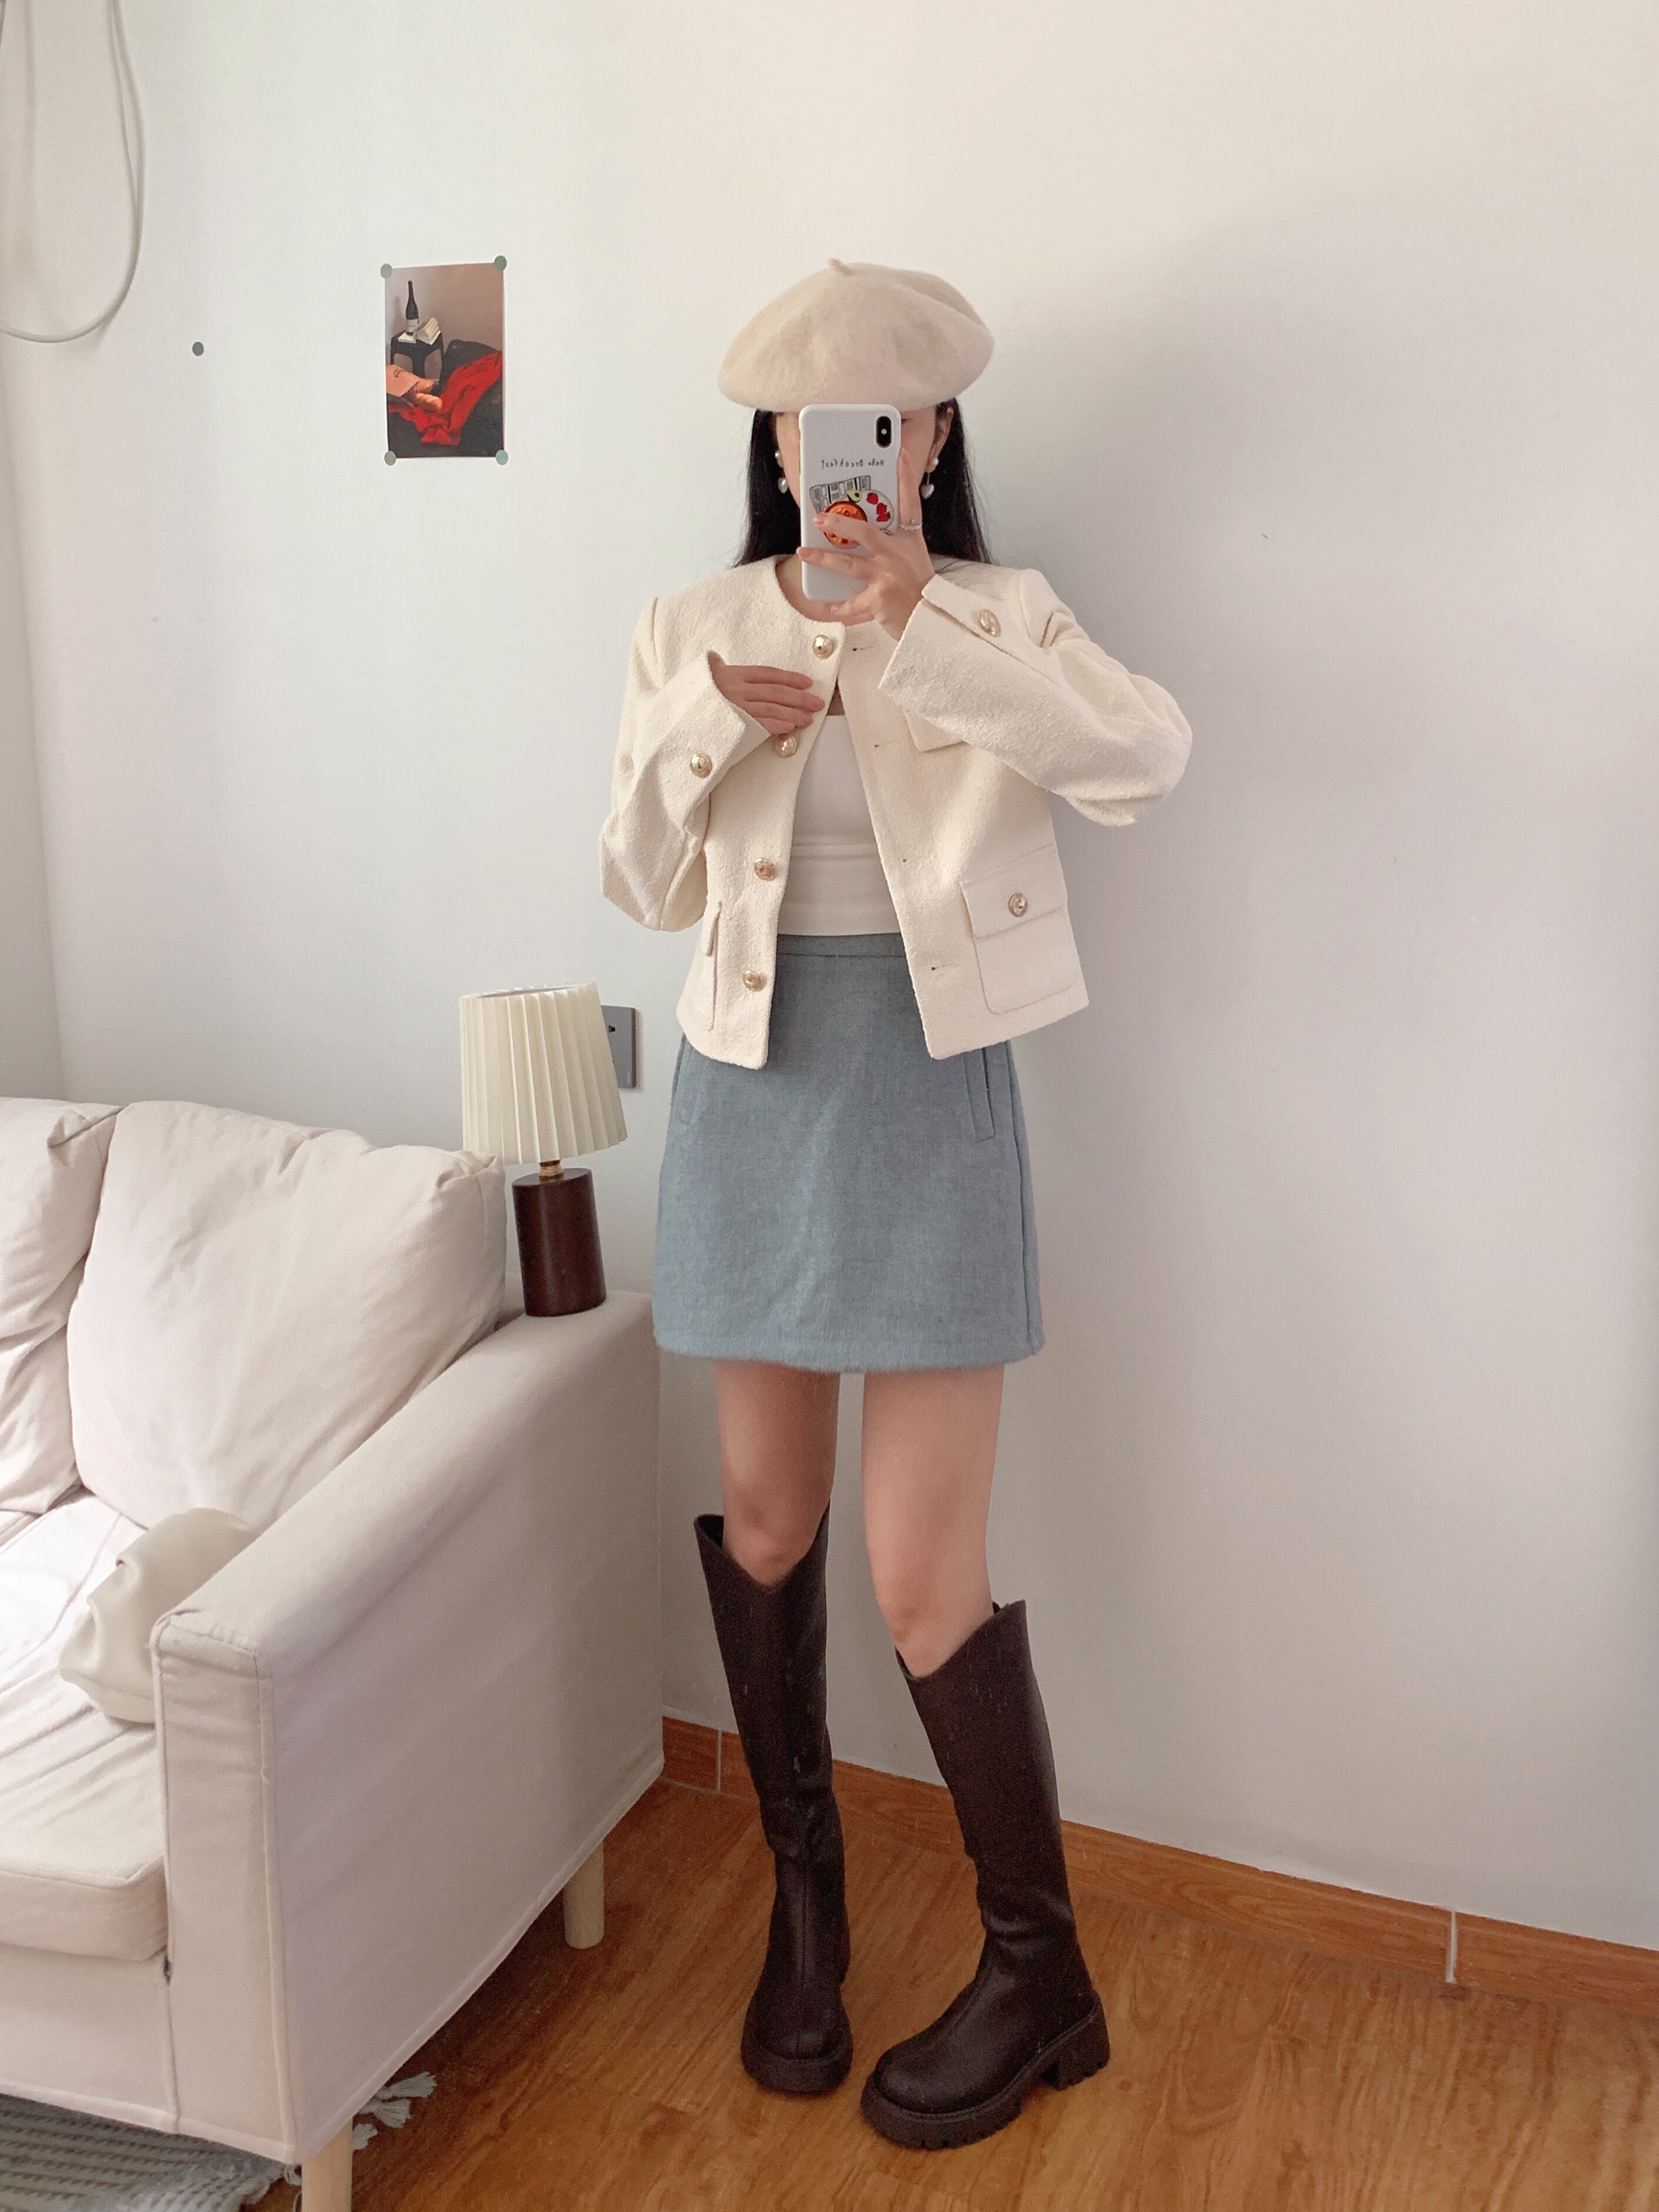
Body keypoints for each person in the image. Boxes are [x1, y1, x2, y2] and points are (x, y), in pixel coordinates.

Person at [599, 259, 1191, 2151]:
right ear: (776, 449)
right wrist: (715, 729)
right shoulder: (690, 624)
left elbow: (1139, 763)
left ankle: (1039, 1973)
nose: (849, 450)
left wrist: (921, 622)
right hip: (751, 1090)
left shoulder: (1000, 611)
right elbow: (637, 882)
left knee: (922, 1575)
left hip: (931, 1094)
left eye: (890, 418)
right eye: (814, 424)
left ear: (931, 441)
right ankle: (809, 1909)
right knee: (769, 1526)